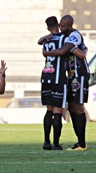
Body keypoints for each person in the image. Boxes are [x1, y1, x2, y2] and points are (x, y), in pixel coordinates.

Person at [42, 15, 90, 151]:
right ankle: (79, 142)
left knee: (79, 107)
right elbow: (82, 51)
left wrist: (47, 53)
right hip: (69, 76)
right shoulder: (63, 37)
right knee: (71, 107)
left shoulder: (74, 35)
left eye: (63, 26)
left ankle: (82, 143)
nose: (60, 28)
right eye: (59, 25)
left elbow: (67, 51)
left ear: (69, 26)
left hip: (78, 75)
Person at [38, 16, 68, 150]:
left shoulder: (46, 40)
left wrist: (45, 37)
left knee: (49, 110)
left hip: (46, 76)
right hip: (58, 77)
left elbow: (39, 41)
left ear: (47, 27)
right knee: (57, 111)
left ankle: (46, 141)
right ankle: (56, 143)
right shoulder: (63, 38)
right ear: (58, 25)